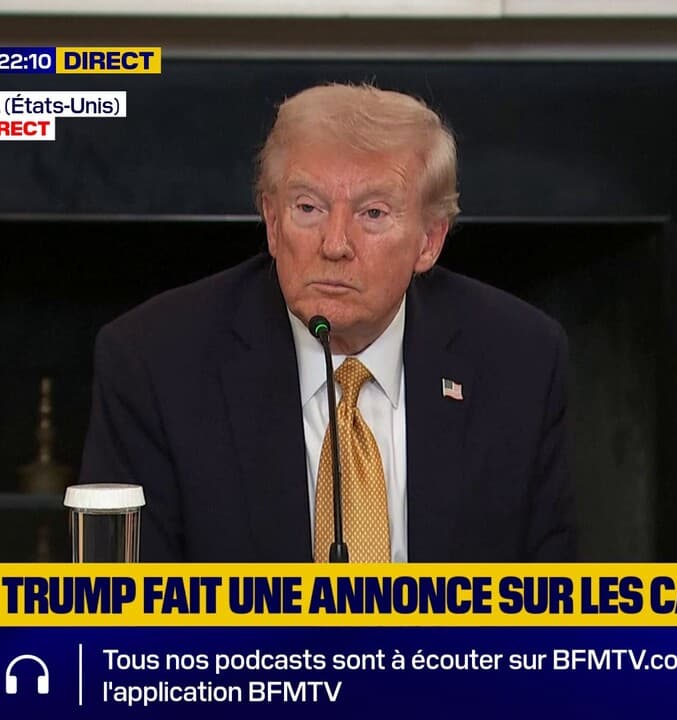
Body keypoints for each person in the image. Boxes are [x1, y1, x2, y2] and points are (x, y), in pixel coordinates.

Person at [79, 83, 575, 562]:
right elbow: (123, 605)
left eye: (373, 213)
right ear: (273, 223)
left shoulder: (520, 359)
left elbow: (555, 598)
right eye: (308, 208)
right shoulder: (156, 361)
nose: (335, 244)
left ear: (429, 241)